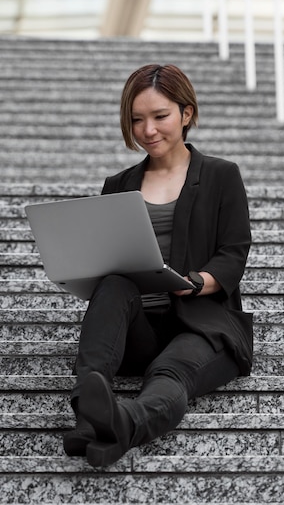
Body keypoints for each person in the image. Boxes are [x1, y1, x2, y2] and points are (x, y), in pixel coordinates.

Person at [62, 63, 253, 468]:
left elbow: (234, 250)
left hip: (201, 324)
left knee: (170, 374)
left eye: (160, 116)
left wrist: (197, 282)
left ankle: (118, 424)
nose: (148, 130)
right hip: (138, 328)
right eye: (136, 120)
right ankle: (87, 408)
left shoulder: (221, 175)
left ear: (186, 114)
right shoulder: (118, 184)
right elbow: (109, 255)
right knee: (113, 283)